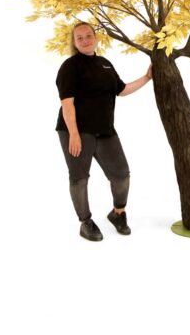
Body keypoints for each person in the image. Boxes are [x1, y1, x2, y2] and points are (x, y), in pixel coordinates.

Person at [55, 21, 152, 241]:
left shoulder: (105, 64)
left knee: (121, 175)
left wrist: (147, 77)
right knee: (79, 178)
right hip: (77, 131)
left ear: (96, 37)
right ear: (74, 43)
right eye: (79, 38)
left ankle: (118, 213)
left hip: (105, 130)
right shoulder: (70, 66)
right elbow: (67, 103)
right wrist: (74, 135)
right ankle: (85, 222)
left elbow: (122, 90)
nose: (85, 40)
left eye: (88, 35)